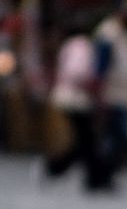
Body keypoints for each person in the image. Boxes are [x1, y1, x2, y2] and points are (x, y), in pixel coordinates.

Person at [44, 24, 111, 191]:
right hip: (76, 99)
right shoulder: (81, 46)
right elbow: (77, 72)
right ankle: (59, 168)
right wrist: (90, 85)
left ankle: (59, 168)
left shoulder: (70, 44)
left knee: (83, 139)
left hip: (68, 97)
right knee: (86, 139)